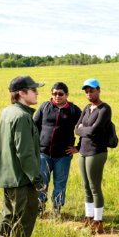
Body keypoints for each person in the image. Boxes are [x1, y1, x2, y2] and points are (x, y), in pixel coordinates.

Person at [0, 75, 45, 237]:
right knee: (25, 217)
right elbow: (25, 153)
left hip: (8, 175)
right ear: (22, 93)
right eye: (33, 89)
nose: (37, 93)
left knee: (7, 214)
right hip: (21, 177)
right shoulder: (22, 116)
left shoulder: (7, 111)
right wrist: (37, 180)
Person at [33, 82, 81, 217]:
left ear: (67, 95)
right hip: (43, 154)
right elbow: (34, 127)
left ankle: (56, 209)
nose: (57, 96)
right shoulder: (44, 107)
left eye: (60, 94)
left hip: (63, 155)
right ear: (51, 94)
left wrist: (78, 147)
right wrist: (34, 147)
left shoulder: (74, 110)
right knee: (42, 182)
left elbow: (84, 128)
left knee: (60, 182)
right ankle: (39, 207)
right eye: (54, 93)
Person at [75, 78, 112, 234]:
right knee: (86, 186)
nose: (89, 94)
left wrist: (85, 128)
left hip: (96, 151)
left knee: (94, 187)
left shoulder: (104, 109)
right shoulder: (87, 108)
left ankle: (98, 222)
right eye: (87, 91)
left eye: (92, 90)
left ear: (99, 90)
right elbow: (77, 128)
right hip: (83, 151)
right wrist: (84, 129)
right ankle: (89, 218)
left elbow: (93, 131)